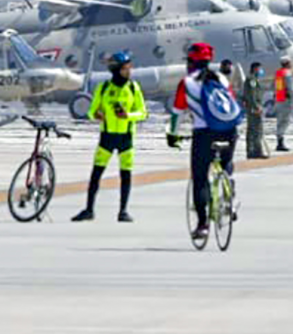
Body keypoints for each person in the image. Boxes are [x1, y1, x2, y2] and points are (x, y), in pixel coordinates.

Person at [167, 42, 244, 242]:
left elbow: (177, 113)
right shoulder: (221, 79)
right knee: (226, 162)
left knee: (200, 177)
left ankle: (202, 225)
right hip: (229, 131)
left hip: (204, 134)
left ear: (191, 62)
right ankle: (230, 197)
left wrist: (172, 135)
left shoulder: (187, 83)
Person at [71, 50, 148, 223]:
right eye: (125, 68)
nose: (129, 71)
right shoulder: (104, 88)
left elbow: (143, 113)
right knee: (96, 174)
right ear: (116, 70)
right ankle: (89, 210)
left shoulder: (133, 88)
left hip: (126, 138)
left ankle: (123, 211)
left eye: (130, 67)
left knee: (125, 175)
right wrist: (97, 115)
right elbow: (91, 111)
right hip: (107, 137)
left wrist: (128, 115)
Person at [240, 61, 270, 159]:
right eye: (259, 68)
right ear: (255, 69)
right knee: (255, 129)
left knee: (254, 129)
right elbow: (252, 95)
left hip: (253, 106)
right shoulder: (251, 80)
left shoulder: (253, 79)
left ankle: (254, 151)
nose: (261, 71)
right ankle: (254, 151)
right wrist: (256, 107)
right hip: (254, 107)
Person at [273, 55, 293, 152]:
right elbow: (291, 88)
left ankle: (279, 140)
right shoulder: (287, 73)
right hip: (286, 100)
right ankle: (280, 142)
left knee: (280, 121)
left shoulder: (279, 73)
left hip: (279, 99)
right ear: (288, 63)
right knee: (285, 121)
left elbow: (277, 88)